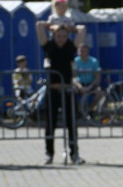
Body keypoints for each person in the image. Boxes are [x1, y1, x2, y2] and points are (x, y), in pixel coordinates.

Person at [36, 20, 84, 165]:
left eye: (63, 36)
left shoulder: (71, 46)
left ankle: (74, 154)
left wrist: (68, 28)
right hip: (52, 90)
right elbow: (38, 26)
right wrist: (53, 26)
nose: (61, 39)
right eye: (58, 36)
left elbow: (82, 29)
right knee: (50, 123)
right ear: (53, 36)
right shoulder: (48, 46)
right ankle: (49, 154)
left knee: (71, 123)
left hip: (68, 90)